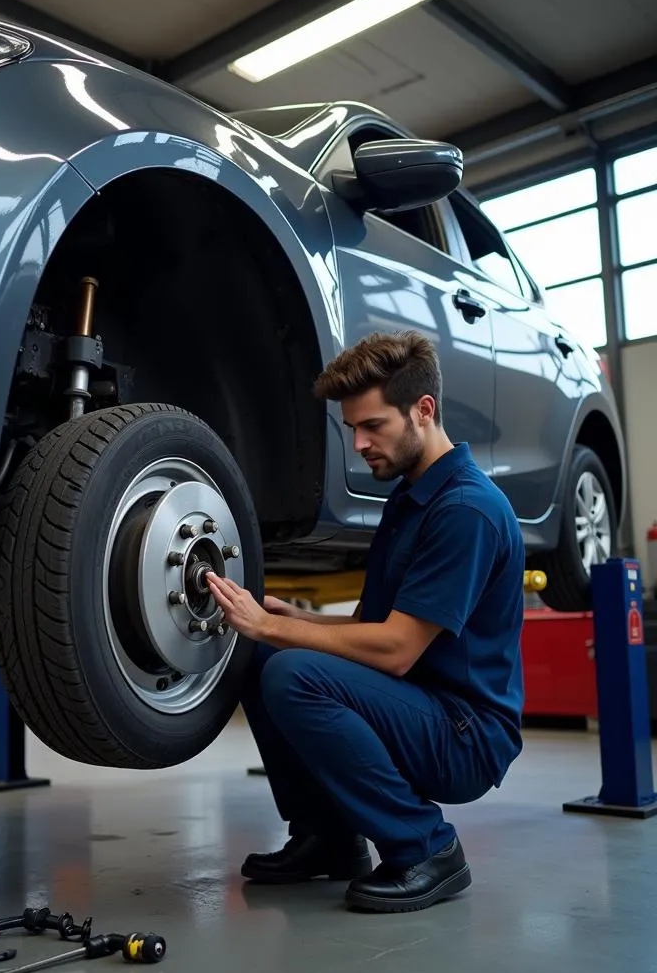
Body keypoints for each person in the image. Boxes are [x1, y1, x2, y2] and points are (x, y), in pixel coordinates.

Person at [206, 330, 526, 914]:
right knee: (261, 655)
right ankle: (327, 836)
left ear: (422, 411)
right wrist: (296, 621)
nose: (358, 444)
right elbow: (366, 625)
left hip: (465, 734)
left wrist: (277, 629)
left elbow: (398, 648)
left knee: (291, 671)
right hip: (417, 705)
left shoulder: (467, 510)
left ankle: (428, 848)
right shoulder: (410, 497)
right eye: (352, 427)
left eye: (373, 425)